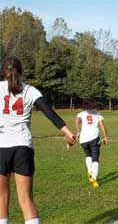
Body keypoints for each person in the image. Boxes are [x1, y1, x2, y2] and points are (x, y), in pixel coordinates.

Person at [0, 56, 75, 224]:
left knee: (1, 199)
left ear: (3, 72)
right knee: (26, 199)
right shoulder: (30, 90)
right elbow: (49, 112)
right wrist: (68, 133)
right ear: (21, 71)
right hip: (23, 148)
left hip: (1, 148)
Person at [75, 100, 108, 188]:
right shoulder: (98, 114)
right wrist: (105, 137)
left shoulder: (81, 114)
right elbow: (102, 126)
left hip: (83, 139)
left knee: (88, 155)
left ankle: (90, 172)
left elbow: (77, 121)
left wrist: (78, 132)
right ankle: (93, 177)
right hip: (94, 138)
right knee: (95, 159)